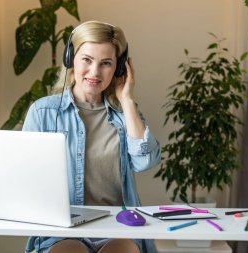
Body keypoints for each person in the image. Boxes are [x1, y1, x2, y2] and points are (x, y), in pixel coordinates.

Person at [22, 20, 161, 253]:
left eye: (106, 63)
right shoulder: (43, 112)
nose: (94, 72)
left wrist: (126, 100)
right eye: (86, 59)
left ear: (119, 68)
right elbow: (23, 176)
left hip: (118, 228)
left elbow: (145, 161)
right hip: (63, 232)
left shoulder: (124, 114)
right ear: (71, 59)